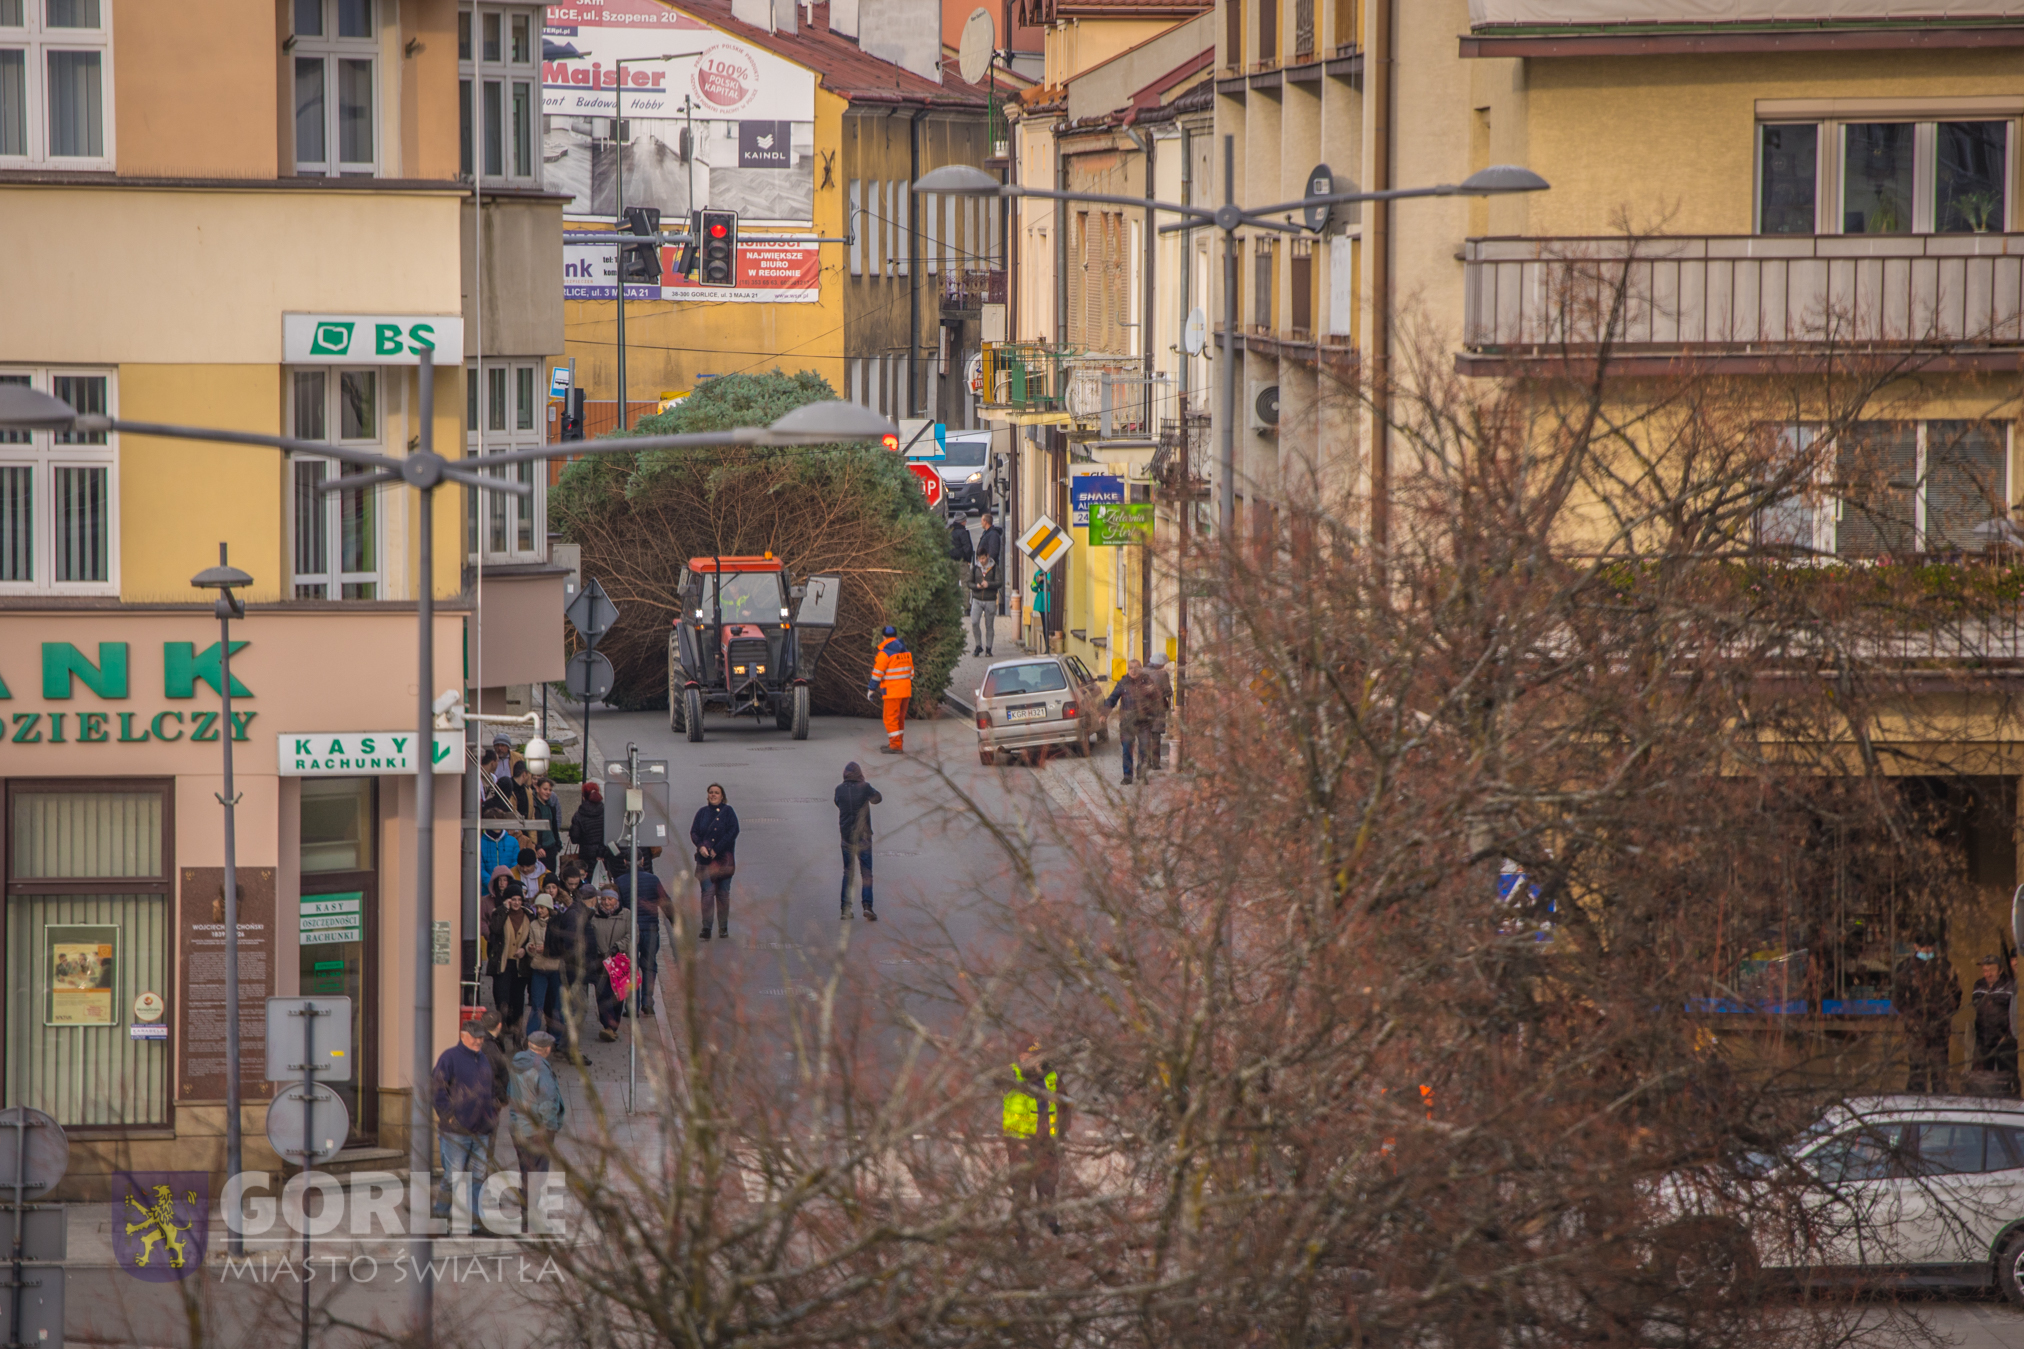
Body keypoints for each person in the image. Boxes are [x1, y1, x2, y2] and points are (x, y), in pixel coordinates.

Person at [431, 1018, 500, 1222]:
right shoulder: (449, 1058)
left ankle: (476, 1220)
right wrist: (450, 1117)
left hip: (481, 1131)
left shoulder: (484, 1059)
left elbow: (491, 1089)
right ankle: (441, 1214)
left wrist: (491, 1116)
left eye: (481, 1038)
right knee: (453, 1177)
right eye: (475, 1038)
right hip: (456, 1132)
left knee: (477, 1178)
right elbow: (437, 1090)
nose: (479, 1041)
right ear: (463, 1036)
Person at [1001, 1042, 1069, 1239]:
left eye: (1036, 1055)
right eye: (1027, 1055)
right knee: (1021, 1187)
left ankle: (1049, 1225)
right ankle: (1021, 1229)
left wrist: (1060, 1136)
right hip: (1020, 1141)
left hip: (1046, 1140)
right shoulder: (1011, 1075)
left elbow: (1065, 1105)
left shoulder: (1052, 1077)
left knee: (1047, 1185)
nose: (1032, 1060)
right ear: (1020, 1056)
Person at [1897, 936, 1961, 1093]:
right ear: (1916, 946)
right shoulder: (1906, 967)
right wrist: (1911, 1016)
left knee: (1939, 1068)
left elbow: (1956, 993)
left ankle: (1940, 1101)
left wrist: (1944, 1014)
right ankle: (1916, 1101)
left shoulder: (1944, 967)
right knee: (1917, 1068)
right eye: (1923, 946)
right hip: (1916, 1027)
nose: (1927, 950)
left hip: (1939, 1026)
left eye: (1930, 946)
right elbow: (1897, 997)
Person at [509, 1030, 566, 1197]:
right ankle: (531, 1219)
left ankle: (527, 1216)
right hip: (536, 1132)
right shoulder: (542, 1070)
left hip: (517, 1127)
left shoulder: (517, 1063)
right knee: (537, 1177)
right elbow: (548, 1104)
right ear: (546, 1049)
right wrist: (550, 1130)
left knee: (526, 1172)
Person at [613, 848, 668, 1010]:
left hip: (630, 931)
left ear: (624, 862)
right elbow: (666, 903)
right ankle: (648, 1001)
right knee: (650, 965)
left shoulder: (619, 881)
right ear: (642, 861)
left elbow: (618, 909)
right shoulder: (653, 880)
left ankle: (632, 1006)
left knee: (630, 966)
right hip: (650, 929)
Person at [691, 783, 741, 942]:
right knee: (707, 894)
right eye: (711, 792)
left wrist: (716, 849)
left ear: (722, 796)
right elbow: (694, 832)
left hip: (724, 861)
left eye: (716, 793)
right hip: (705, 861)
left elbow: (733, 832)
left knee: (723, 895)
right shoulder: (702, 813)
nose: (713, 795)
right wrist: (701, 847)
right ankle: (706, 927)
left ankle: (723, 927)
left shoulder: (728, 812)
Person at [835, 761, 881, 921]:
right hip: (863, 837)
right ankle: (867, 906)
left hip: (846, 837)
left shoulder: (839, 790)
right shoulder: (865, 787)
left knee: (848, 873)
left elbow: (838, 803)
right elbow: (877, 799)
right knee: (866, 872)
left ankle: (845, 909)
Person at [1103, 657, 1159, 785]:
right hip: (1127, 723)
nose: (1133, 671)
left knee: (1144, 750)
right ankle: (1127, 776)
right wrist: (1104, 714)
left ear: (1140, 669)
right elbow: (1112, 698)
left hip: (1144, 722)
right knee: (1127, 749)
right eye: (1130, 668)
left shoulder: (1147, 682)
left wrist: (1154, 715)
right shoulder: (1123, 683)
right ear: (1128, 670)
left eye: (1136, 668)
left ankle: (1142, 775)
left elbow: (1156, 700)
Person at [486, 889, 533, 1036]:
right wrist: (503, 909)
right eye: (513, 899)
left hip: (520, 964)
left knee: (518, 999)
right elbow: (495, 929)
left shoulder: (529, 916)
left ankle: (516, 1030)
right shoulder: (500, 913)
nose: (517, 903)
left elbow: (533, 937)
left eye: (519, 899)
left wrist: (525, 950)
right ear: (508, 900)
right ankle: (501, 1029)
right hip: (503, 963)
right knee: (502, 998)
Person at [588, 889, 633, 1042]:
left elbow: (633, 935)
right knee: (602, 994)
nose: (606, 902)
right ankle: (608, 1026)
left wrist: (618, 947)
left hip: (619, 960)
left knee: (618, 995)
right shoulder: (594, 916)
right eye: (604, 899)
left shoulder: (626, 915)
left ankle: (613, 1025)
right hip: (600, 961)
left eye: (610, 899)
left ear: (617, 900)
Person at [1972, 953, 2018, 1090]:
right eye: (1985, 970)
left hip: (2005, 1040)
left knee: (2006, 1078)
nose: (1988, 973)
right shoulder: (1979, 985)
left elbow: (2012, 1011)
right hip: (1983, 1039)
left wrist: (2007, 1034)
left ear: (2000, 970)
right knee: (1981, 1078)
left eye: (1992, 969)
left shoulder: (2010, 985)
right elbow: (1977, 1007)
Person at [869, 625, 914, 755]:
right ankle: (897, 743)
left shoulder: (885, 654)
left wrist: (871, 689)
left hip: (892, 692)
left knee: (890, 718)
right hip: (905, 691)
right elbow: (911, 673)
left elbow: (877, 673)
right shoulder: (906, 653)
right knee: (899, 718)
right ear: (895, 636)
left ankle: (895, 745)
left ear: (884, 637)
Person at [525, 894, 563, 1038]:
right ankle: (531, 1036)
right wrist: (531, 948)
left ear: (548, 908)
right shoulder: (534, 924)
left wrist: (546, 949)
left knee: (557, 1007)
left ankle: (557, 1039)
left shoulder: (557, 924)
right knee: (537, 1006)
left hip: (555, 968)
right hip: (539, 968)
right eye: (537, 908)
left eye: (542, 907)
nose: (539, 911)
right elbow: (529, 942)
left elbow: (561, 947)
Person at [568, 781, 610, 883]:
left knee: (586, 878)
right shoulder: (606, 812)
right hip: (603, 854)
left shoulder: (579, 814)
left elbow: (574, 838)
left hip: (586, 853)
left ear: (584, 796)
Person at [969, 550, 1001, 658]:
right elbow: (969, 582)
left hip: (990, 599)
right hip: (977, 599)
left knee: (989, 625)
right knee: (974, 622)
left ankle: (988, 648)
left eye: (983, 558)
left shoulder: (994, 567)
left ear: (987, 556)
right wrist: (976, 586)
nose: (981, 561)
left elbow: (999, 582)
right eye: (979, 559)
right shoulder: (975, 568)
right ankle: (978, 645)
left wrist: (989, 584)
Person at [1146, 652, 1174, 771]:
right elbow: (1168, 691)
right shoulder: (1162, 675)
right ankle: (1155, 763)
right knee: (1156, 736)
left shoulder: (1142, 672)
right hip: (1157, 709)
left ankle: (1145, 762)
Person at [529, 776, 563, 864]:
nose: (548, 792)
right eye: (545, 789)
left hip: (551, 847)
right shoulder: (533, 806)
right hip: (539, 848)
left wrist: (557, 845)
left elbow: (554, 825)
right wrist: (537, 846)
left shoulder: (550, 806)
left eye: (550, 790)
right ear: (537, 788)